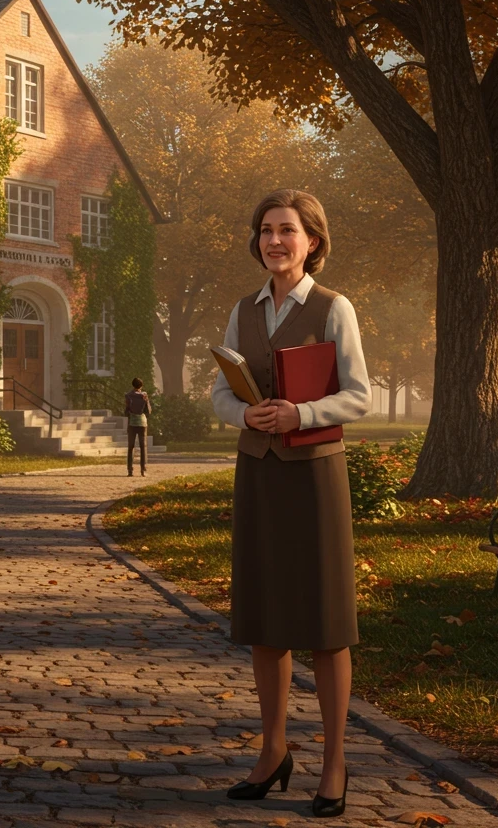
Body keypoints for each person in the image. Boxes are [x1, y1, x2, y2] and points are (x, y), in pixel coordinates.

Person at [211, 189, 370, 818]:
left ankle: (334, 763)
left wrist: (299, 413)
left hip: (314, 477)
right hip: (258, 474)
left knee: (326, 625)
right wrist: (244, 414)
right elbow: (220, 395)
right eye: (266, 230)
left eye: (287, 230)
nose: (274, 241)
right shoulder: (242, 310)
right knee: (264, 621)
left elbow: (358, 395)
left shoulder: (333, 307)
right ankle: (273, 751)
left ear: (313, 241)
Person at [124, 378, 152, 477]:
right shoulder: (144, 396)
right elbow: (148, 411)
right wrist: (146, 401)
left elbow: (126, 411)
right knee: (143, 446)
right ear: (141, 386)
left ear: (133, 385)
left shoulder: (128, 396)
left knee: (130, 447)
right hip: (142, 423)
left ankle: (130, 470)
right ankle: (143, 470)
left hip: (132, 423)